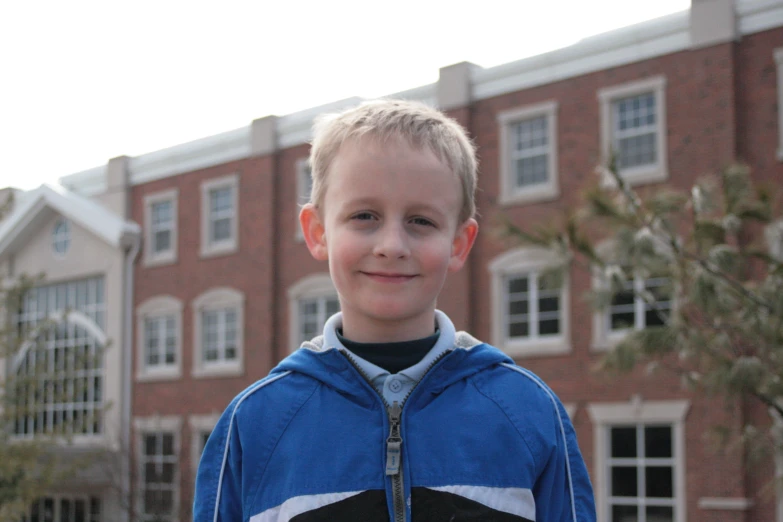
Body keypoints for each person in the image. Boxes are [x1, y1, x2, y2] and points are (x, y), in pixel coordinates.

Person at [193, 99, 596, 522]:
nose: (392, 245)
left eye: (421, 221)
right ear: (317, 232)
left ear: (459, 243)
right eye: (364, 216)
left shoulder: (527, 410)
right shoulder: (256, 422)